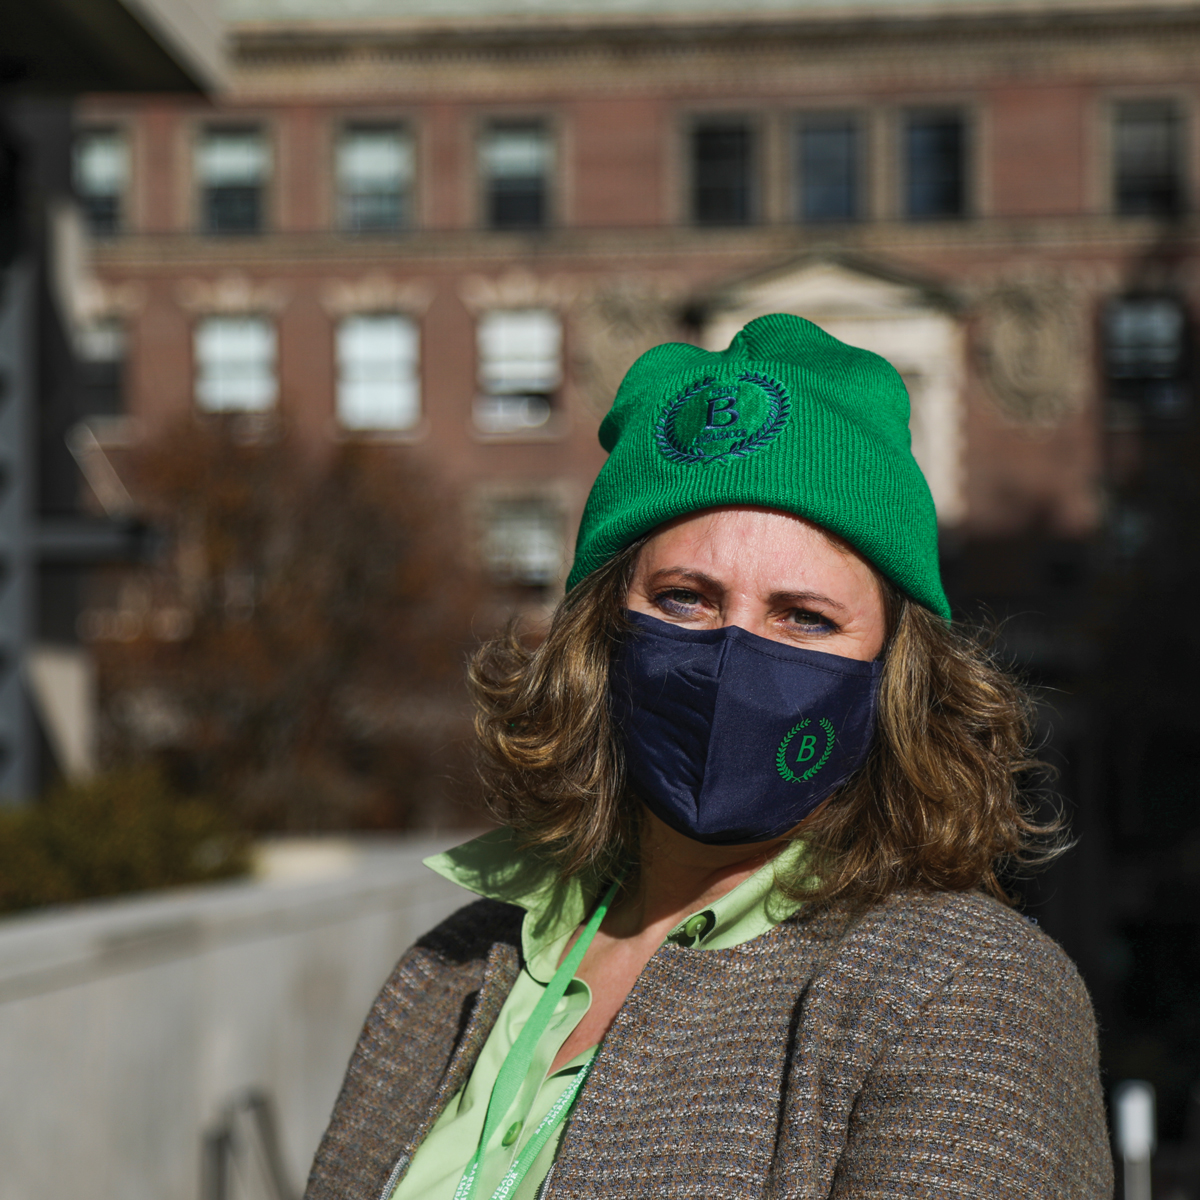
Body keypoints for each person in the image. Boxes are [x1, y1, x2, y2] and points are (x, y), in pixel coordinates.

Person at [305, 314, 1112, 1200]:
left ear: (896, 677)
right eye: (686, 599)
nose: (734, 655)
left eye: (804, 617)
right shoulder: (451, 969)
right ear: (601, 634)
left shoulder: (960, 995)